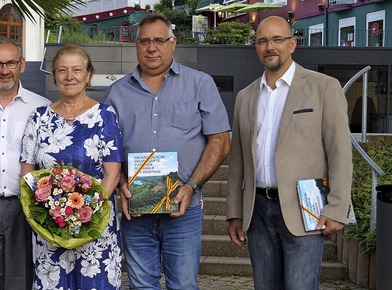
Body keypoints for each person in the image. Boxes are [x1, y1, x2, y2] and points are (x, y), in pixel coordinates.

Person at [105, 14, 231, 289]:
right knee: (141, 285)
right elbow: (107, 152)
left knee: (183, 285)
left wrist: (191, 186)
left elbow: (220, 141)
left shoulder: (200, 83)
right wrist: (122, 184)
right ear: (136, 45)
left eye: (159, 40)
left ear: (173, 43)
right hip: (135, 210)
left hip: (183, 207)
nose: (152, 47)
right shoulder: (116, 93)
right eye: (145, 41)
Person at [226, 16, 353, 290]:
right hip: (257, 211)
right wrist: (234, 212)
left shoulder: (324, 87)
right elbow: (237, 162)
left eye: (277, 39)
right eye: (262, 41)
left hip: (305, 208)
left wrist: (338, 207)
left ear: (292, 44)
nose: (270, 46)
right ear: (256, 47)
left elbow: (340, 152)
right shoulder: (245, 97)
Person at [20, 44, 123, 289]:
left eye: (77, 70)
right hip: (50, 230)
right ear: (54, 75)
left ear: (88, 75)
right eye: (62, 70)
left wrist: (87, 216)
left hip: (95, 228)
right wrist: (46, 216)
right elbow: (27, 174)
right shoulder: (38, 118)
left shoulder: (105, 116)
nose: (69, 76)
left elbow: (112, 172)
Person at [0, 37, 51, 290]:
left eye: (11, 63)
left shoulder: (42, 107)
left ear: (22, 64)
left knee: (22, 277)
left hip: (25, 206)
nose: (5, 70)